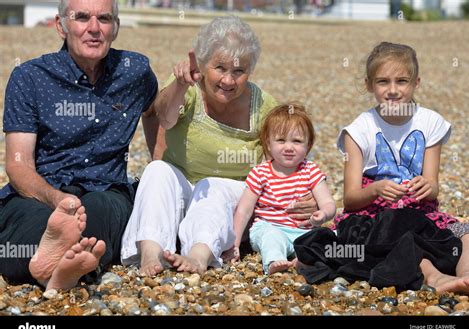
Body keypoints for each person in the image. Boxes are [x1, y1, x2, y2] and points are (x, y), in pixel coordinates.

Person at [121, 16, 319, 276]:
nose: (228, 80)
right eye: (220, 68)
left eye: (239, 71)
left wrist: (310, 194)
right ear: (202, 64)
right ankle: (151, 252)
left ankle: (198, 255)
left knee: (211, 185)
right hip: (184, 189)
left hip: (233, 198)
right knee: (157, 170)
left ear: (250, 71)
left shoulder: (264, 106)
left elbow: (290, 155)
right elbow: (165, 119)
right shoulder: (187, 86)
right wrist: (181, 85)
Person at [0, 0, 158, 291]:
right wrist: (56, 199)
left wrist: (159, 172)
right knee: (30, 222)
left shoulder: (135, 71)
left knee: (97, 211)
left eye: (104, 19)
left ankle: (57, 268)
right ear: (61, 26)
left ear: (116, 28)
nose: (94, 28)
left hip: (106, 188)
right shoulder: (30, 78)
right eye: (82, 17)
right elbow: (18, 165)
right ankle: (61, 268)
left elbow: (154, 111)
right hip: (42, 189)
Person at [335, 42, 469, 293]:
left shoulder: (429, 122)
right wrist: (376, 189)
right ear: (368, 85)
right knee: (400, 231)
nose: (393, 90)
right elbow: (351, 199)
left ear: (416, 83)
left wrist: (426, 186)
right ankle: (436, 278)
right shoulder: (358, 130)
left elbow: (433, 187)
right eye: (382, 82)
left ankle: (468, 275)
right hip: (376, 216)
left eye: (401, 81)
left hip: (420, 210)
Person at [232, 104, 336, 274]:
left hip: (303, 231)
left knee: (326, 237)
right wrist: (235, 243)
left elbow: (328, 202)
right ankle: (274, 260)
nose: (289, 147)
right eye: (281, 140)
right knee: (271, 238)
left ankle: (302, 260)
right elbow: (244, 210)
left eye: (297, 141)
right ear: (268, 143)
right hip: (270, 226)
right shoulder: (260, 172)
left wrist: (324, 213)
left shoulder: (310, 170)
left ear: (308, 145)